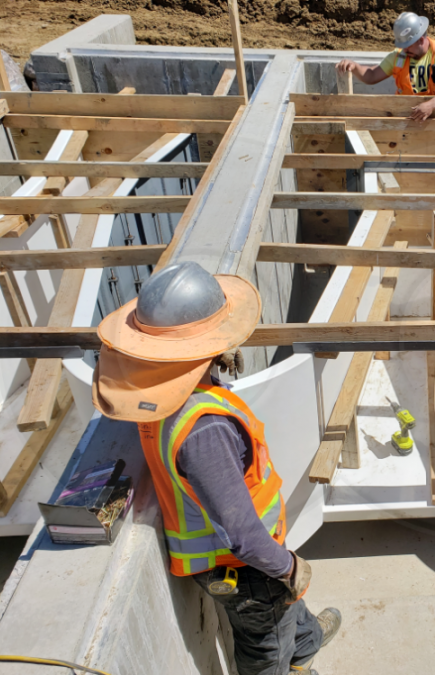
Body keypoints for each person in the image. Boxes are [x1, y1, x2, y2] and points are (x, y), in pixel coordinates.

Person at [92, 261, 340, 675]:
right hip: (244, 569)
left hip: (243, 560)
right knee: (265, 648)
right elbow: (242, 535)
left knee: (287, 612)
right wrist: (288, 567)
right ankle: (294, 662)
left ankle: (306, 642)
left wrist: (206, 365)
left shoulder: (156, 391)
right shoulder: (205, 431)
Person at [335, 12, 435, 121]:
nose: (404, 49)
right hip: (406, 116)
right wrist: (355, 67)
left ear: (421, 40)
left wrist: (431, 105)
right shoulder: (399, 56)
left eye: (408, 45)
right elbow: (372, 75)